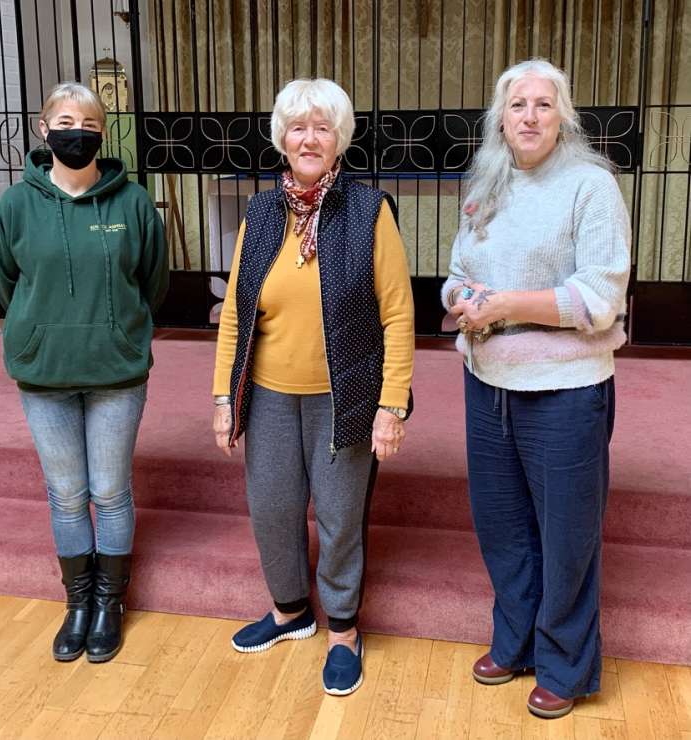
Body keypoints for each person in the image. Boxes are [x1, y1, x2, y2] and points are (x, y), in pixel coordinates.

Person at [212, 78, 415, 696]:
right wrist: (224, 396)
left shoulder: (369, 210)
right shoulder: (260, 213)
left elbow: (399, 314)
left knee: (338, 515)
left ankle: (344, 631)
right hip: (269, 393)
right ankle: (289, 611)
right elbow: (235, 315)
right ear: (281, 138)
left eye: (321, 127)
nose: (309, 138)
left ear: (339, 140)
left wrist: (392, 404)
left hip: (345, 394)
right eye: (297, 127)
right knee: (272, 508)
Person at [442, 58, 631, 719]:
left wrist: (503, 306)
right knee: (503, 527)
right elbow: (457, 270)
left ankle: (565, 667)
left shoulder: (590, 186)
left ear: (563, 117)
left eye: (543, 105)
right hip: (486, 381)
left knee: (567, 534)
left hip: (566, 390)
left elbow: (600, 294)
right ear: (500, 116)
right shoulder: (486, 183)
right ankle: (515, 641)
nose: (528, 116)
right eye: (517, 104)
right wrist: (464, 298)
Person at [0, 82, 169, 664]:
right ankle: (78, 603)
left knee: (110, 491)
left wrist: (119, 327)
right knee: (67, 495)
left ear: (102, 133)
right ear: (44, 129)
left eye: (89, 123)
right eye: (65, 121)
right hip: (44, 372)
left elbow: (152, 282)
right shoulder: (16, 204)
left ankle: (110, 603)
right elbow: (5, 282)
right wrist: (39, 326)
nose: (77, 132)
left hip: (115, 370)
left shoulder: (133, 202)